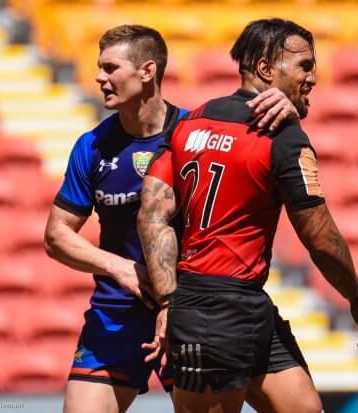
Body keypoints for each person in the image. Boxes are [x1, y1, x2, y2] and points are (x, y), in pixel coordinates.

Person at [43, 24, 303, 413]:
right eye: (100, 67)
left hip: (195, 311)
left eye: (111, 68)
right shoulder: (92, 147)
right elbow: (56, 235)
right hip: (118, 313)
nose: (100, 77)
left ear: (148, 71)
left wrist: (291, 109)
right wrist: (121, 268)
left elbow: (265, 148)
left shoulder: (194, 134)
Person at [138, 18, 358, 413]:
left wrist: (169, 301)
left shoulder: (189, 123)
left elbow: (152, 214)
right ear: (267, 69)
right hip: (215, 312)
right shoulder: (281, 135)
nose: (314, 77)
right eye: (304, 65)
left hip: (240, 306)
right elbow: (319, 237)